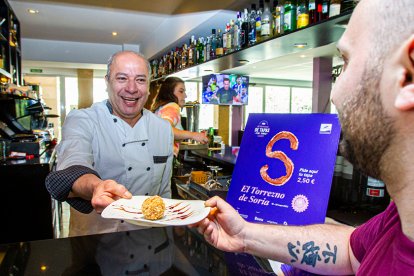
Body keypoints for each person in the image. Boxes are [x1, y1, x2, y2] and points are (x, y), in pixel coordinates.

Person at [193, 0, 414, 275]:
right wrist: (245, 235)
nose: (333, 94)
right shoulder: (398, 218)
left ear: (407, 76)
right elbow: (349, 250)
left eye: (345, 61)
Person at [45, 50, 174, 236]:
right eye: (122, 78)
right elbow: (73, 164)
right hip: (97, 239)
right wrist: (96, 186)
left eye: (140, 80)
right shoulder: (82, 120)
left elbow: (164, 191)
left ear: (148, 85)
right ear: (107, 82)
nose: (131, 88)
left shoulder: (162, 128)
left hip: (149, 239)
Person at [151, 76, 209, 157]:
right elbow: (165, 129)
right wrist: (193, 135)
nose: (185, 96)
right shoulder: (172, 106)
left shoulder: (161, 107)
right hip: (164, 158)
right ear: (169, 93)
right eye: (181, 91)